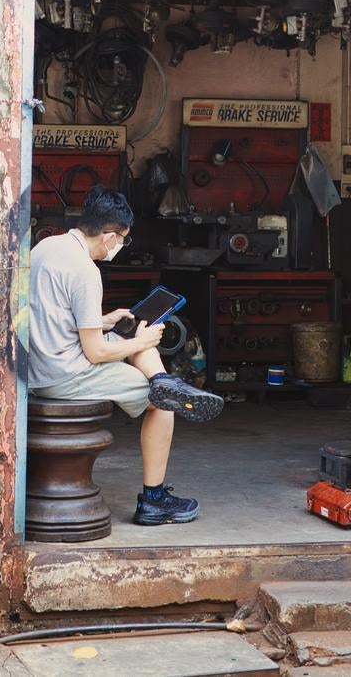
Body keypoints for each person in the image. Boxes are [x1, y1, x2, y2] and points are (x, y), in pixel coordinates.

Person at [28, 185, 223, 526]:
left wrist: (105, 321)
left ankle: (163, 380)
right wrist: (137, 341)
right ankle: (154, 500)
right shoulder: (86, 272)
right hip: (65, 374)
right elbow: (97, 351)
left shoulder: (48, 247)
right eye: (122, 239)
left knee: (135, 335)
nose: (120, 246)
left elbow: (53, 313)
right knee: (162, 403)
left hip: (40, 363)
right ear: (107, 236)